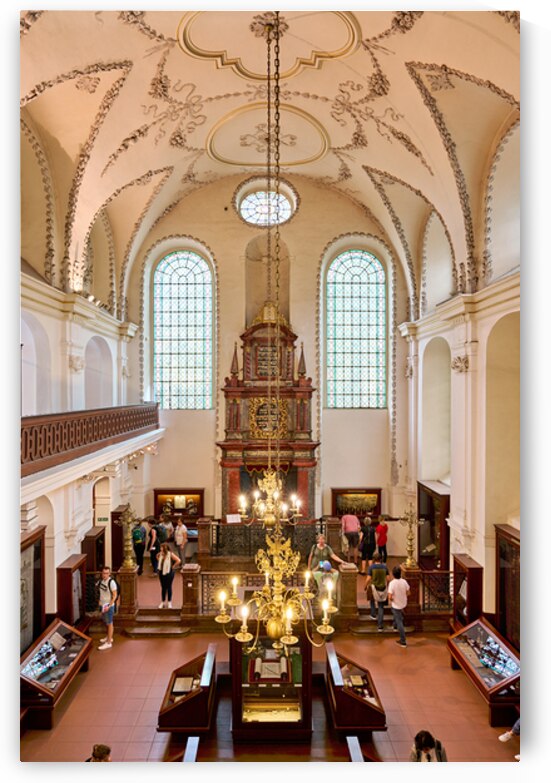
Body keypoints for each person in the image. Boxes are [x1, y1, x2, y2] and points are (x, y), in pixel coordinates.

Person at [364, 552, 389, 629]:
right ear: (380, 559)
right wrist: (387, 585)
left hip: (374, 587)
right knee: (381, 606)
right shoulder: (385, 567)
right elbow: (388, 579)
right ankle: (380, 625)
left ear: (374, 559)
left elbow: (368, 579)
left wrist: (365, 586)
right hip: (383, 587)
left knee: (372, 600)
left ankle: (373, 614)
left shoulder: (371, 567)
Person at [388, 564, 410, 647]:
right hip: (403, 602)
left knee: (399, 620)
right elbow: (408, 592)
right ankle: (394, 626)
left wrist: (392, 600)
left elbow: (390, 596)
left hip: (396, 604)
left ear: (393, 574)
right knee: (397, 614)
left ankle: (403, 641)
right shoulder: (404, 582)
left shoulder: (392, 583)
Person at [96, 566, 117, 650]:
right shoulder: (101, 581)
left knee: (110, 623)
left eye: (106, 573)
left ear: (109, 574)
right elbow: (100, 592)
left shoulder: (111, 582)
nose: (105, 575)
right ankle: (108, 636)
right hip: (103, 605)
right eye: (103, 573)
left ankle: (108, 642)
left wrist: (109, 605)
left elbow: (114, 595)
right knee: (106, 622)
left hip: (109, 606)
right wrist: (99, 602)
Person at [156, 542, 181, 608]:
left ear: (165, 548)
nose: (160, 549)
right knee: (163, 587)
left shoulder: (170, 554)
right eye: (160, 547)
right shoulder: (160, 554)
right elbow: (157, 557)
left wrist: (173, 566)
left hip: (169, 572)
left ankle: (169, 602)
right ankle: (163, 601)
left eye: (162, 547)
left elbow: (178, 560)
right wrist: (159, 560)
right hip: (161, 572)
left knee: (169, 587)